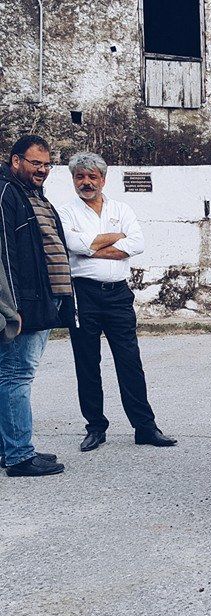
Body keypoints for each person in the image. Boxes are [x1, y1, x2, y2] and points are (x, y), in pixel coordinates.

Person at [58, 152, 176, 451]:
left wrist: (90, 247)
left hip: (118, 295)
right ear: (74, 180)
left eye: (92, 177)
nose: (86, 182)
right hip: (82, 294)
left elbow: (136, 243)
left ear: (103, 179)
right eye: (80, 177)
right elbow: (71, 244)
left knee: (129, 361)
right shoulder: (66, 212)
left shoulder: (121, 207)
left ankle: (145, 427)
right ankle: (95, 427)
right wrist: (113, 237)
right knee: (87, 362)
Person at [0, 135, 73, 476]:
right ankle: (18, 455)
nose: (43, 170)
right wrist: (13, 308)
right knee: (17, 375)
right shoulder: (7, 194)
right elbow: (7, 258)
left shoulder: (34, 195)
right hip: (23, 305)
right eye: (36, 163)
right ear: (16, 161)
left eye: (47, 164)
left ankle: (13, 447)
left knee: (15, 375)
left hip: (42, 300)